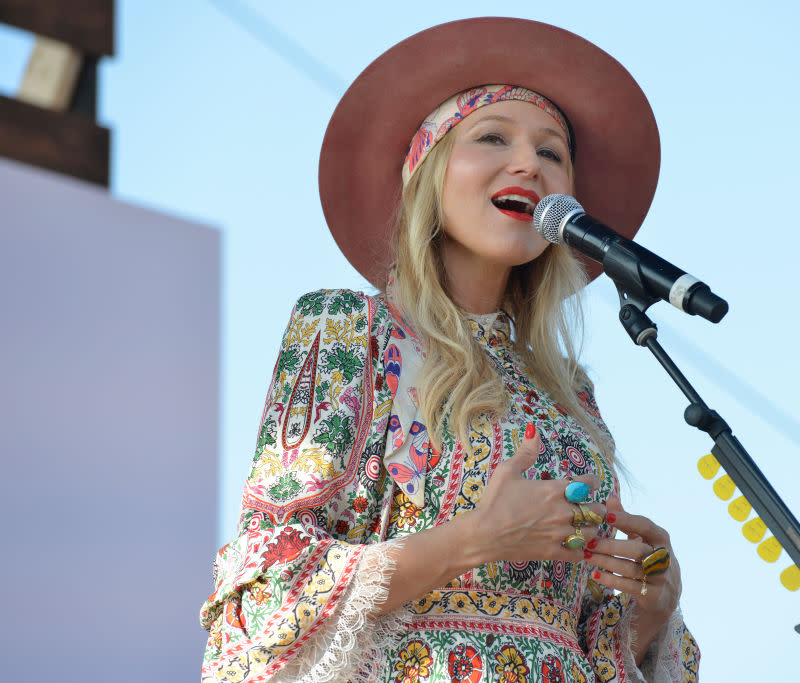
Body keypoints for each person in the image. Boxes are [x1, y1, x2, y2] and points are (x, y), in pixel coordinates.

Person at [200, 17, 700, 683]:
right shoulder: (345, 331)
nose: (529, 162)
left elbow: (576, 629)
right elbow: (265, 596)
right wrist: (471, 541)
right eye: (493, 137)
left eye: (553, 153)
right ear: (426, 174)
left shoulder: (568, 389)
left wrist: (648, 609)